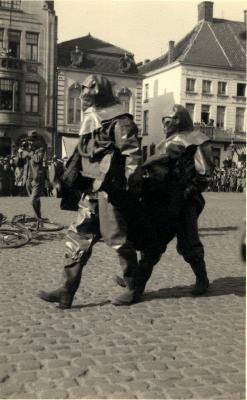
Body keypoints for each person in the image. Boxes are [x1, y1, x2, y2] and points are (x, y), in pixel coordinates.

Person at [39, 74, 142, 309]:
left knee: (117, 241)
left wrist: (128, 189)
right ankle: (66, 291)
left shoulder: (120, 120)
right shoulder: (91, 118)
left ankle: (134, 287)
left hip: (110, 191)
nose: (84, 97)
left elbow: (132, 155)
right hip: (90, 191)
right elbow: (81, 154)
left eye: (88, 92)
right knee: (77, 238)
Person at [116, 104, 214, 304]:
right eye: (164, 121)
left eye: (170, 120)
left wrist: (187, 193)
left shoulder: (197, 140)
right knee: (153, 244)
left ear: (181, 120)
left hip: (185, 201)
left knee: (189, 243)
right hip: (162, 201)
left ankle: (202, 279)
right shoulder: (163, 143)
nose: (166, 125)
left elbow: (204, 174)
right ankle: (136, 286)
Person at [15, 134, 46, 227]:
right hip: (28, 179)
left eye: (32, 141)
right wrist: (20, 153)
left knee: (33, 200)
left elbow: (38, 159)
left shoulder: (40, 150)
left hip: (37, 179)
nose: (30, 143)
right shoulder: (27, 152)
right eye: (29, 141)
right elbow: (18, 164)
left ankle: (39, 220)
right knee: (35, 201)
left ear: (36, 141)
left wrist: (28, 152)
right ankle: (39, 221)